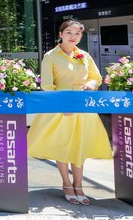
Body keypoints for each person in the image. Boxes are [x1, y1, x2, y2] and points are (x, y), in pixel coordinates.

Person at [27, 19, 111, 206]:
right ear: (61, 34)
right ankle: (66, 184)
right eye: (69, 32)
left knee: (79, 145)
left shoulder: (84, 55)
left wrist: (91, 84)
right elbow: (47, 85)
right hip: (62, 108)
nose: (73, 36)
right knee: (63, 145)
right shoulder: (51, 56)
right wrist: (61, 105)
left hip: (82, 107)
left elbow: (96, 77)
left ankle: (79, 185)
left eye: (77, 33)